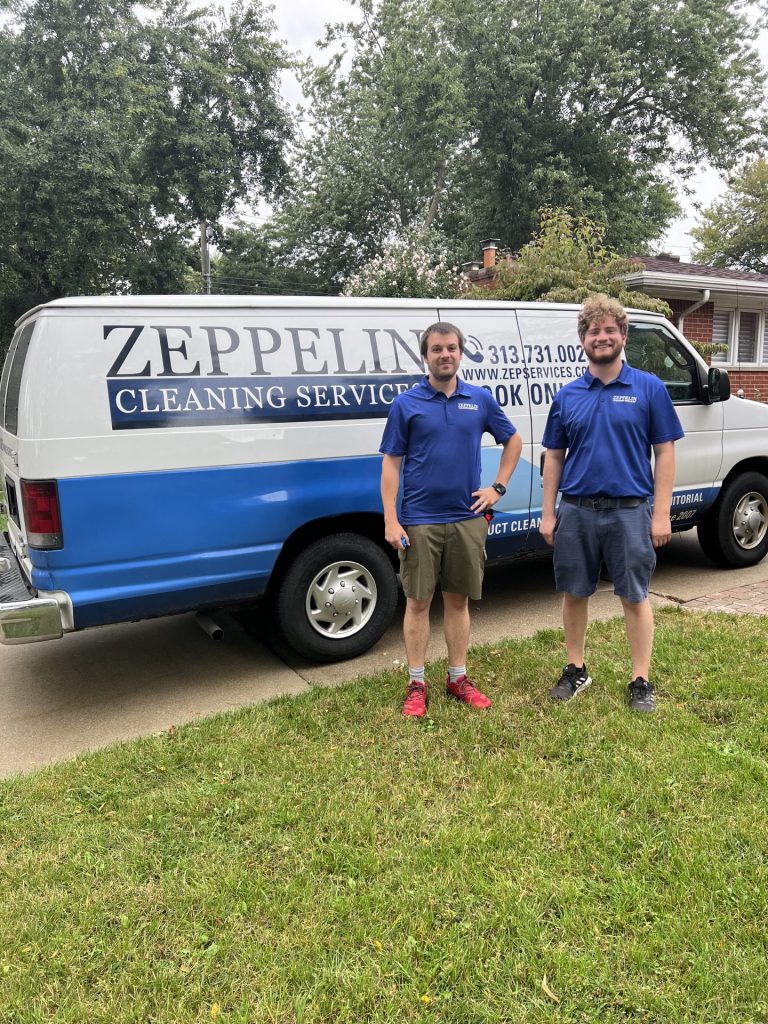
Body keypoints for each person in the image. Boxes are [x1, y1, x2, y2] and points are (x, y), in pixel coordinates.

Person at [539, 295, 684, 713]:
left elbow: (666, 453)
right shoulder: (567, 396)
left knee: (634, 595)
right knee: (574, 592)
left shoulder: (649, 389)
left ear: (622, 335)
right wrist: (549, 513)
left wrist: (661, 513)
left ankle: (640, 679)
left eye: (608, 330)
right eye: (593, 331)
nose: (601, 337)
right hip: (577, 510)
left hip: (630, 510)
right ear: (582, 340)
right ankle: (576, 668)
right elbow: (553, 456)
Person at [380, 321, 523, 718]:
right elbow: (391, 465)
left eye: (452, 348)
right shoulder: (406, 404)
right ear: (425, 356)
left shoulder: (479, 400)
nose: (445, 355)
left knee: (458, 601)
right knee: (418, 602)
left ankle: (457, 677)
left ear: (461, 353)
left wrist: (497, 487)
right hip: (419, 521)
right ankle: (416, 682)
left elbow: (513, 440)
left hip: (466, 518)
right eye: (437, 349)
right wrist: (391, 520)